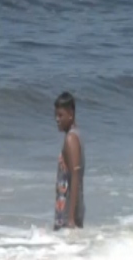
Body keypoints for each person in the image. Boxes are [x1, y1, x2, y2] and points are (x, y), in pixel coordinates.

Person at [53, 92, 85, 230]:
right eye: (55, 115)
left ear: (71, 114)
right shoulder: (75, 135)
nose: (57, 119)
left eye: (60, 115)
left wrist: (71, 218)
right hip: (69, 209)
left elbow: (75, 175)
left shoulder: (71, 139)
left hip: (68, 212)